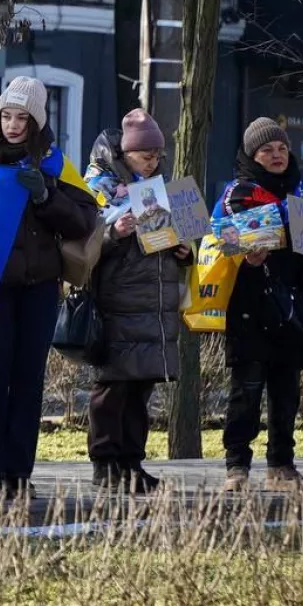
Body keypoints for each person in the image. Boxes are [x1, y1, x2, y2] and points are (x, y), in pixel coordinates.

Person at [0, 76, 98, 499]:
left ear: (36, 121)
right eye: (5, 116)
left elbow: (84, 220)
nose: (11, 125)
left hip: (40, 285)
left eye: (21, 117)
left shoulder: (55, 164)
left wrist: (46, 197)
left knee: (28, 379)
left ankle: (18, 474)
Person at [219, 117, 303, 493]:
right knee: (247, 389)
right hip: (251, 307)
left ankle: (281, 468)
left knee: (286, 390)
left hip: (293, 307)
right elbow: (220, 242)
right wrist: (245, 257)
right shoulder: (236, 193)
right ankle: (236, 468)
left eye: (281, 149)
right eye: (266, 150)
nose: (276, 156)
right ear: (251, 155)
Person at [83, 109, 189, 494]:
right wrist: (114, 233)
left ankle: (131, 463)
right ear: (126, 155)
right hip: (119, 301)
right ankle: (104, 464)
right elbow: (84, 245)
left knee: (141, 387)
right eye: (146, 156)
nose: (154, 162)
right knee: (112, 386)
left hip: (154, 302)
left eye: (158, 155)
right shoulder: (99, 186)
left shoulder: (161, 190)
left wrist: (183, 251)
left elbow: (182, 242)